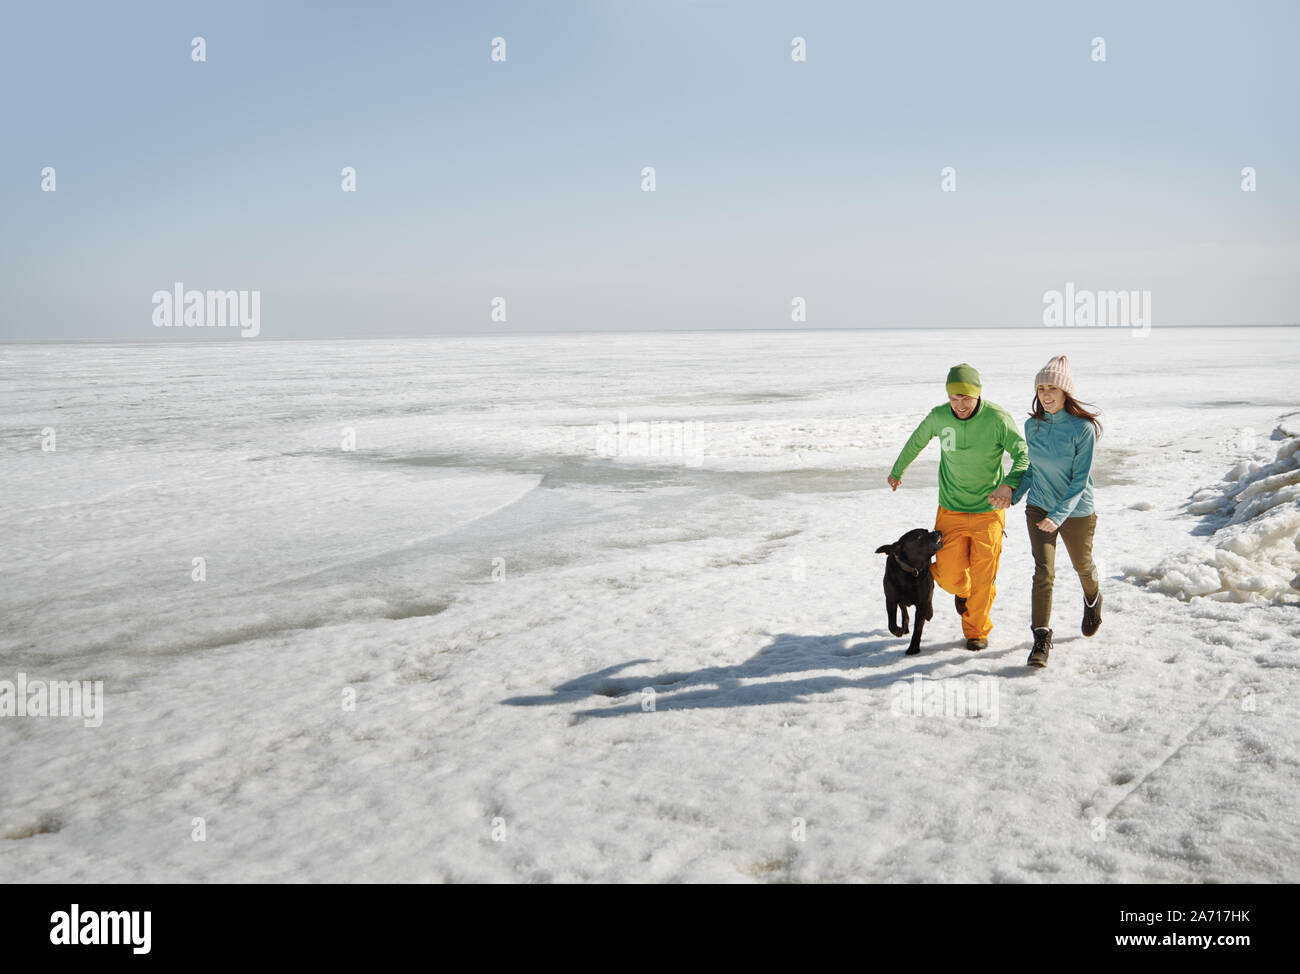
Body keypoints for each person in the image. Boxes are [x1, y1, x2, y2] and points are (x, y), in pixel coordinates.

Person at [888, 363, 1028, 650]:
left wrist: (1009, 484)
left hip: (988, 512)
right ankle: (963, 592)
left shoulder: (998, 419)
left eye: (966, 398)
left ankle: (976, 631)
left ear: (978, 395)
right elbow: (916, 441)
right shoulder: (939, 416)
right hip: (951, 509)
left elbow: (1023, 454)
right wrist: (898, 470)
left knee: (983, 577)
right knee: (949, 576)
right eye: (954, 398)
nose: (960, 405)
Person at [988, 355, 1102, 668]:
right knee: (1044, 572)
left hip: (1076, 511)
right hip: (1038, 506)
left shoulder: (1083, 429)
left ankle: (1093, 598)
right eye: (1041, 388)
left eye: (1052, 387)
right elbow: (1031, 470)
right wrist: (1011, 494)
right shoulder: (1032, 426)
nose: (1046, 394)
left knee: (1083, 566)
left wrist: (1059, 515)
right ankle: (1041, 637)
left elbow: (1080, 481)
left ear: (1066, 392)